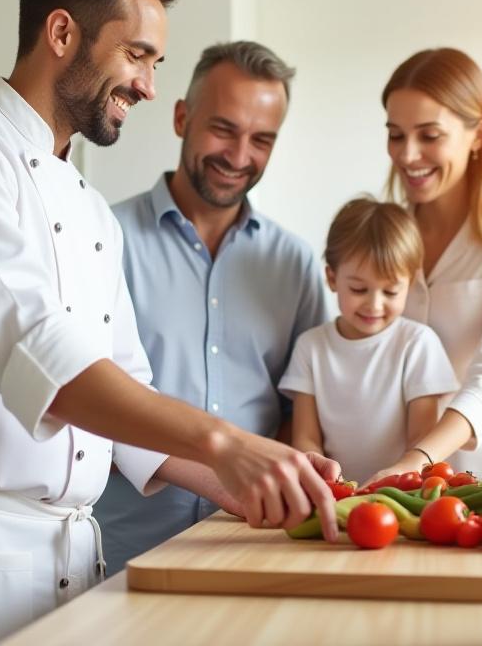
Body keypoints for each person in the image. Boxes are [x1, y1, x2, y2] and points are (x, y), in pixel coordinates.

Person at [0, 0, 338, 646]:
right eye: (137, 55)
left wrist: (235, 483)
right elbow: (43, 360)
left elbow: (124, 400)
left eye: (155, 63)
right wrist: (226, 439)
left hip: (71, 560)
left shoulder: (87, 208)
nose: (148, 84)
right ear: (62, 33)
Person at [97, 41, 329, 575]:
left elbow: (304, 407)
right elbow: (88, 398)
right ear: (182, 117)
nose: (239, 156)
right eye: (223, 129)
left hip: (251, 550)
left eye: (262, 139)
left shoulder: (293, 263)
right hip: (123, 556)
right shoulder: (104, 237)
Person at [363, 47, 482, 485]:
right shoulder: (386, 238)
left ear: (479, 135)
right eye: (396, 134)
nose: (408, 154)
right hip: (390, 481)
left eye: (429, 135)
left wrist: (416, 459)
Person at [279, 197, 456, 483]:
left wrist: (393, 481)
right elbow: (306, 438)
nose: (374, 305)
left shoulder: (417, 344)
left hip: (402, 494)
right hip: (335, 495)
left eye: (390, 292)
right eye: (359, 289)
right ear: (332, 278)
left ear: (409, 284)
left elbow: (421, 441)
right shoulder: (310, 347)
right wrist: (327, 483)